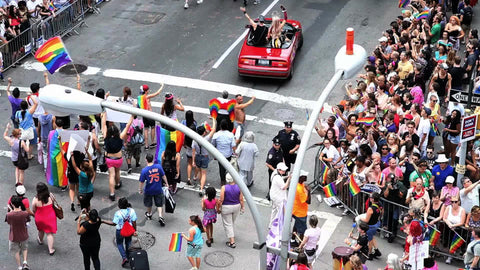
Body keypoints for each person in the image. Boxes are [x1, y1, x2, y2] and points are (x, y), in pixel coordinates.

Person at [102, 112, 130, 201]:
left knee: (111, 175)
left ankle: (112, 193)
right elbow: (127, 126)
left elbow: (103, 125)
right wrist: (132, 116)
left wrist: (104, 115)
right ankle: (117, 184)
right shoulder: (120, 137)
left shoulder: (106, 136)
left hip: (109, 159)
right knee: (117, 172)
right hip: (118, 159)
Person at [139, 153, 168, 226]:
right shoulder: (158, 167)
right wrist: (166, 183)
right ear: (153, 159)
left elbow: (142, 182)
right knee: (159, 204)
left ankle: (149, 214)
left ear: (146, 160)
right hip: (158, 188)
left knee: (148, 203)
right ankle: (160, 216)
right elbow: (163, 176)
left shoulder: (144, 170)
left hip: (149, 190)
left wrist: (140, 189)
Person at [217, 173, 244, 248]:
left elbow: (221, 199)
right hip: (236, 206)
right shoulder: (239, 187)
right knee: (232, 221)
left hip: (226, 207)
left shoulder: (224, 188)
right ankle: (231, 234)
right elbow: (241, 199)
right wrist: (242, 208)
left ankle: (232, 241)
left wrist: (219, 208)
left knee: (228, 224)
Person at [192, 118, 216, 195]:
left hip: (198, 156)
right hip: (205, 157)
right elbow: (213, 130)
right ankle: (201, 188)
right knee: (204, 173)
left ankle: (199, 183)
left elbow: (193, 152)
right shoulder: (206, 139)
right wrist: (213, 120)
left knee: (199, 171)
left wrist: (193, 161)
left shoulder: (194, 140)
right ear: (203, 133)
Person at [31, 182, 57, 255]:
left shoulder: (35, 199)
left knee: (41, 230)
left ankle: (40, 240)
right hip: (50, 216)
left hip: (40, 217)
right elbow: (54, 203)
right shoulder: (51, 196)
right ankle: (51, 249)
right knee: (49, 233)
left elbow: (34, 209)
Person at [6, 195, 30, 270]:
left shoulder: (9, 214)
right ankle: (25, 262)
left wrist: (11, 211)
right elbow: (28, 220)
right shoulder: (25, 213)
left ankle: (19, 266)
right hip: (23, 233)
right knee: (24, 248)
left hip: (14, 235)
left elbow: (9, 222)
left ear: (12, 204)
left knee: (16, 250)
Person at [137, 84, 164, 149]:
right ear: (146, 91)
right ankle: (152, 142)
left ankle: (146, 145)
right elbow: (157, 93)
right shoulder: (147, 97)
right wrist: (162, 86)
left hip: (144, 115)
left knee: (146, 129)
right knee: (152, 127)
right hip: (149, 114)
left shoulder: (139, 98)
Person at [112, 198, 137, 267]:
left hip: (120, 230)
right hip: (129, 230)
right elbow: (134, 222)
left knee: (119, 243)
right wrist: (134, 231)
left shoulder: (118, 213)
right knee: (128, 242)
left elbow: (114, 223)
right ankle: (129, 256)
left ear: (119, 205)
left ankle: (124, 258)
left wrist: (103, 221)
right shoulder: (132, 211)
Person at [442, 195, 466, 264]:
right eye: (452, 202)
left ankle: (453, 256)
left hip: (458, 229)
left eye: (455, 202)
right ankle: (449, 255)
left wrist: (453, 225)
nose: (453, 203)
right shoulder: (448, 208)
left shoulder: (462, 210)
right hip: (448, 228)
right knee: (448, 243)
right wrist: (449, 224)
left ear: (458, 202)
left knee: (455, 244)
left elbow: (462, 222)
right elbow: (444, 218)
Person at [212, 119, 236, 186]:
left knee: (221, 168)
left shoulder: (216, 135)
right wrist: (235, 153)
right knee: (229, 166)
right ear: (227, 126)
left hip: (220, 155)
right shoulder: (231, 135)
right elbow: (233, 146)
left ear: (220, 126)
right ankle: (229, 178)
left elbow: (213, 144)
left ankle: (222, 180)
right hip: (228, 154)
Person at [359, 192, 382, 260]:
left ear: (373, 199)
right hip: (377, 223)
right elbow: (382, 212)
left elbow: (366, 220)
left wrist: (360, 217)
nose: (370, 198)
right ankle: (376, 250)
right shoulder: (380, 204)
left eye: (371, 197)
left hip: (371, 226)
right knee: (372, 237)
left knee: (370, 240)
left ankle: (370, 254)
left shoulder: (371, 208)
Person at [269, 162, 290, 227]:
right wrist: (289, 179)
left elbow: (281, 178)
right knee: (280, 212)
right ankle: (276, 225)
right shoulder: (277, 178)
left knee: (274, 210)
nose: (284, 171)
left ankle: (271, 224)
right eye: (283, 170)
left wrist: (287, 176)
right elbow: (284, 187)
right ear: (279, 170)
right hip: (278, 197)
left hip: (273, 195)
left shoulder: (275, 173)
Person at [292, 170, 310, 243]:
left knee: (296, 226)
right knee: (302, 230)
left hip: (296, 210)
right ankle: (301, 244)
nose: (306, 177)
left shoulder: (300, 185)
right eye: (305, 176)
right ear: (301, 178)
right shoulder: (299, 189)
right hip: (300, 213)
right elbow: (308, 201)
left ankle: (293, 239)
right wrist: (308, 192)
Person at [181, 110, 198, 185]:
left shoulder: (183, 122)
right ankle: (195, 176)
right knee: (196, 163)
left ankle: (188, 178)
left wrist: (183, 143)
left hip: (188, 145)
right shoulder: (194, 123)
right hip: (194, 146)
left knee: (189, 163)